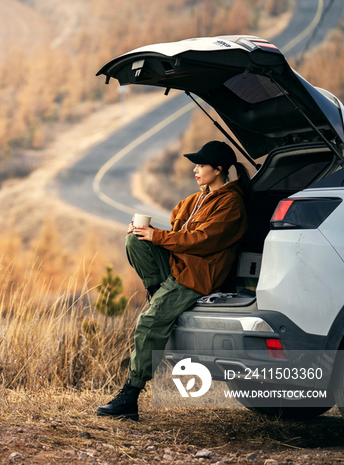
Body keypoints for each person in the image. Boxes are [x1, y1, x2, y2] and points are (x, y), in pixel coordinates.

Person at [96, 140, 250, 421]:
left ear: (218, 169)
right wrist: (149, 232)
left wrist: (160, 236)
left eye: (201, 164)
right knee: (135, 240)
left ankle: (130, 396)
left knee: (149, 322)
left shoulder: (231, 203)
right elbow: (176, 234)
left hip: (198, 276)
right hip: (179, 267)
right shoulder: (196, 199)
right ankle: (159, 294)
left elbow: (203, 241)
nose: (195, 169)